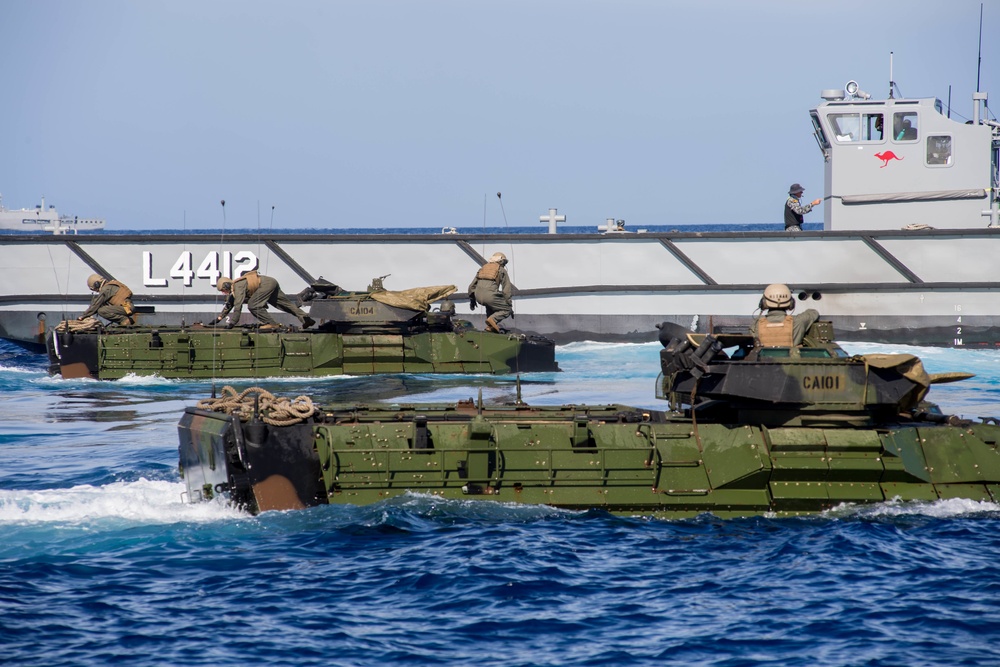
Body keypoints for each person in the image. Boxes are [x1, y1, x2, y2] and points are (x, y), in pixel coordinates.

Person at [215, 271, 315, 330]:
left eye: (223, 290)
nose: (224, 293)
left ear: (226, 285)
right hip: (270, 282)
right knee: (286, 305)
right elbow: (230, 304)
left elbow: (238, 305)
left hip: (265, 285)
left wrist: (232, 323)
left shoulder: (238, 286)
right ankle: (306, 319)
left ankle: (271, 323)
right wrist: (219, 318)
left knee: (253, 305)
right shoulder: (235, 288)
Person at [750, 283, 819, 347]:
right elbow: (814, 313)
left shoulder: (756, 324)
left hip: (766, 360)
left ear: (763, 303)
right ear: (791, 303)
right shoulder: (799, 321)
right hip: (792, 360)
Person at [468, 251, 512, 333]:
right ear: (501, 261)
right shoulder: (501, 270)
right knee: (506, 310)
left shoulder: (482, 268)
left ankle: (490, 327)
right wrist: (508, 304)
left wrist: (472, 300)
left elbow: (471, 286)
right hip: (490, 296)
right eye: (505, 262)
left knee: (491, 307)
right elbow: (506, 289)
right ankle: (492, 320)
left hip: (478, 296)